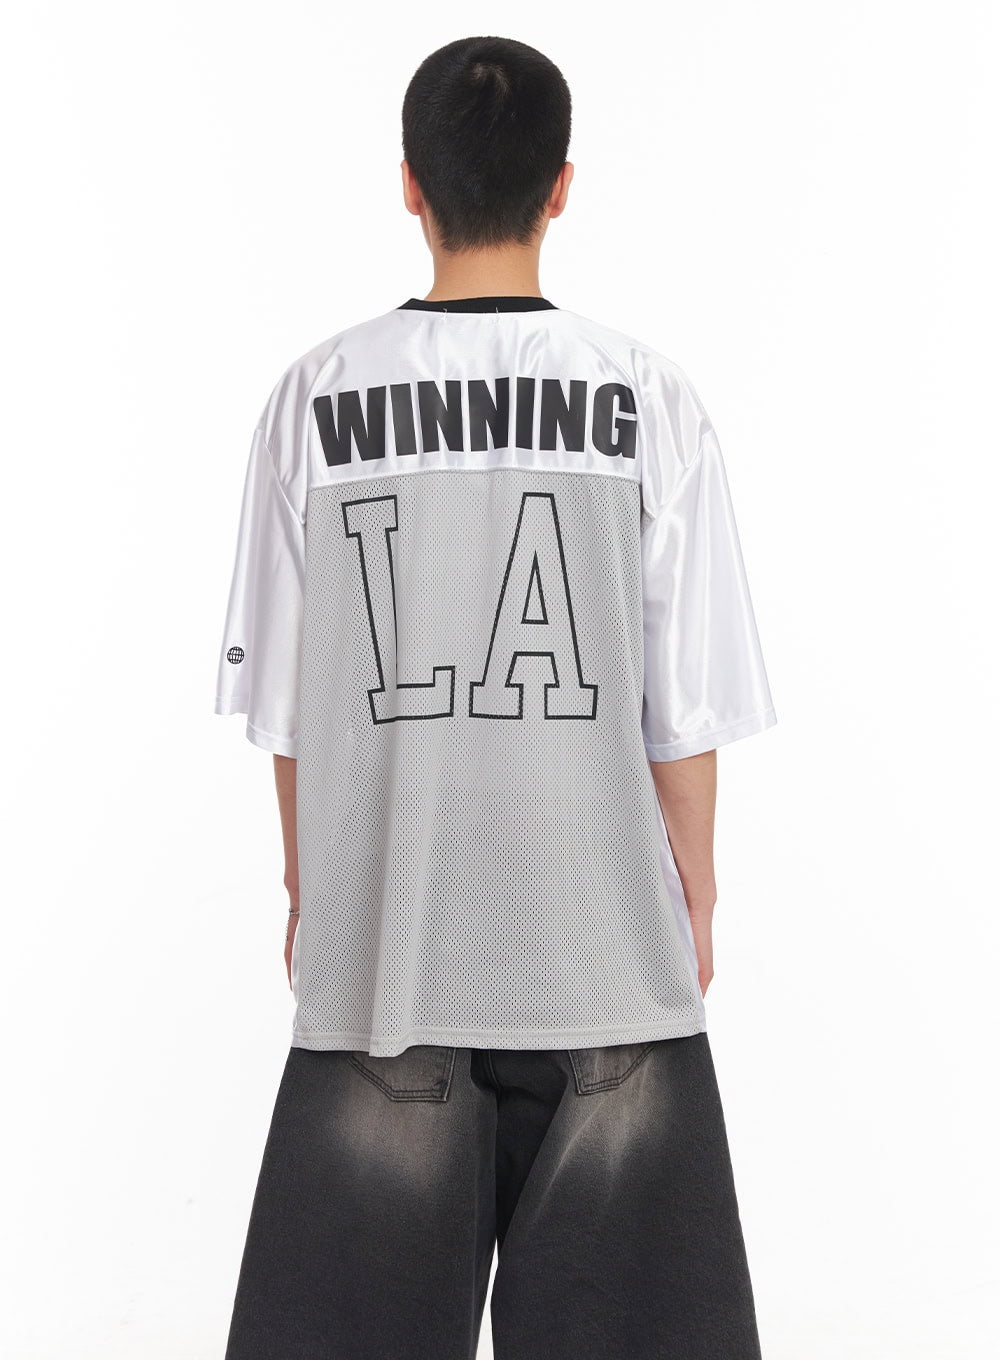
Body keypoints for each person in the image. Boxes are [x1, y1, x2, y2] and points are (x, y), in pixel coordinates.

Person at [213, 33, 777, 1360]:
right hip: (603, 955)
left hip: (387, 960)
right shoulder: (647, 398)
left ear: (410, 183)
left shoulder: (314, 398)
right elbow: (683, 713)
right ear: (561, 187)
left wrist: (307, 888)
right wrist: (694, 891)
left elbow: (290, 710)